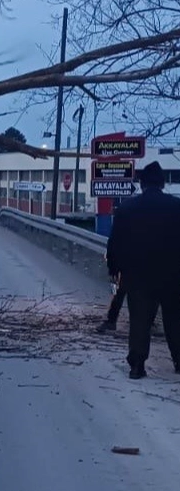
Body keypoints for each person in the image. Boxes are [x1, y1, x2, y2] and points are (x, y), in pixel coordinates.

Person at [105, 161, 180, 379]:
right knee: (175, 320)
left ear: (142, 183)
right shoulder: (177, 207)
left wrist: (114, 267)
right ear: (163, 183)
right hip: (173, 276)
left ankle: (137, 365)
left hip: (137, 276)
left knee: (139, 321)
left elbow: (115, 242)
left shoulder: (127, 208)